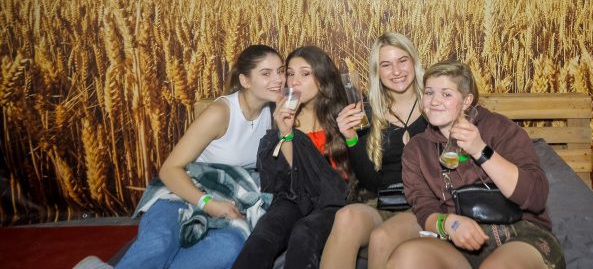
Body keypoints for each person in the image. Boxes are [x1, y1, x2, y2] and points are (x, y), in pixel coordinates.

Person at [74, 44, 285, 269]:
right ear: (245, 80)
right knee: (160, 243)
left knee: (228, 248)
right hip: (186, 192)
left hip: (232, 198)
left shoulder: (276, 112)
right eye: (266, 73)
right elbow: (169, 169)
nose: (278, 79)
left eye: (281, 71)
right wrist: (207, 203)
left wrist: (286, 127)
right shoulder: (221, 113)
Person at [389, 61, 565, 269]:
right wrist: (450, 224)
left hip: (521, 234)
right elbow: (424, 209)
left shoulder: (500, 129)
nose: (434, 101)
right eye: (429, 93)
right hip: (458, 241)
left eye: (446, 94)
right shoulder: (417, 149)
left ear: (466, 101)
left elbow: (535, 197)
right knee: (405, 258)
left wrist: (480, 150)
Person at [233, 46, 352, 269]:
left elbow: (352, 176)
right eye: (289, 74)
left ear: (322, 79)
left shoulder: (342, 117)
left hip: (332, 203)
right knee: (266, 231)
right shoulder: (281, 115)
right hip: (295, 198)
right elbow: (287, 180)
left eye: (305, 74)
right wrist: (285, 133)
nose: (294, 81)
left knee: (304, 232)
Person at [321, 32, 428, 269]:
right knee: (346, 217)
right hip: (385, 202)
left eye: (402, 60)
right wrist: (351, 139)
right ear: (377, 71)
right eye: (386, 65)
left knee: (382, 236)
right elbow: (372, 182)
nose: (396, 71)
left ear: (414, 61)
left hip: (425, 205)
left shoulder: (436, 105)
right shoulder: (367, 112)